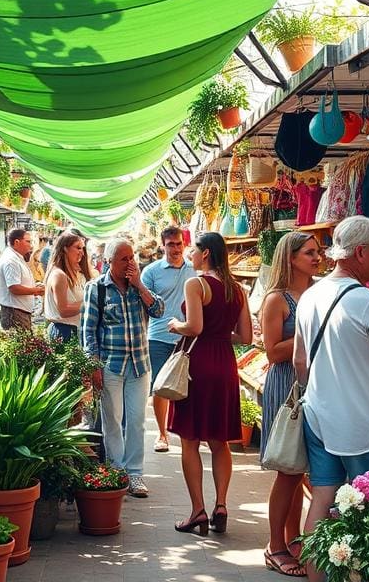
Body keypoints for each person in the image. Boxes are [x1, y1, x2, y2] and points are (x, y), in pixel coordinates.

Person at [293, 216, 369, 582]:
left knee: (322, 497)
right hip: (364, 425)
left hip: (319, 415)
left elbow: (300, 360)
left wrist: (325, 391)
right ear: (360, 252)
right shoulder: (367, 301)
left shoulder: (311, 295)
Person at [166, 232, 252, 536]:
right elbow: (246, 337)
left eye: (194, 249)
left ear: (206, 254)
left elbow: (195, 326)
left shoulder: (196, 284)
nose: (190, 253)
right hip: (225, 363)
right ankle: (222, 505)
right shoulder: (237, 289)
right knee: (219, 441)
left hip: (198, 363)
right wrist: (220, 336)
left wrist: (177, 325)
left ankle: (198, 511)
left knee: (190, 440)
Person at [81, 239, 164, 498]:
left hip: (139, 365)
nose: (130, 263)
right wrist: (93, 364)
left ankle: (135, 473)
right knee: (113, 421)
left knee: (137, 421)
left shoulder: (139, 287)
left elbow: (159, 310)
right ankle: (117, 472)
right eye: (123, 259)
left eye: (132, 258)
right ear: (109, 262)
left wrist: (140, 285)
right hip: (111, 365)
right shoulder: (96, 289)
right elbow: (88, 330)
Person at [259, 232, 321, 577]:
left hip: (314, 385)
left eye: (318, 251)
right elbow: (271, 351)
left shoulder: (318, 291)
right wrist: (313, 330)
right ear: (291, 257)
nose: (317, 257)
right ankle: (275, 545)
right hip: (286, 387)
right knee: (287, 469)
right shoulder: (277, 299)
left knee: (298, 470)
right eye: (310, 252)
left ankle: (293, 537)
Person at [140, 226, 195, 453]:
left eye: (179, 243)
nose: (175, 248)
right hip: (160, 336)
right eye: (170, 244)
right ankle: (162, 434)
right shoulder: (151, 272)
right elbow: (143, 306)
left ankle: (187, 432)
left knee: (188, 387)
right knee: (160, 387)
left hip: (189, 336)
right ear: (162, 246)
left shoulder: (194, 269)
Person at [44, 232, 89, 342]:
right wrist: (90, 303)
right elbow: (64, 310)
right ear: (65, 248)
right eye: (78, 248)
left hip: (71, 330)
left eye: (82, 249)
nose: (82, 253)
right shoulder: (59, 275)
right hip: (65, 331)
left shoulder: (69, 274)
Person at [0, 228, 44, 329]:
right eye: (27, 241)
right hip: (14, 313)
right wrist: (35, 290)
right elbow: (14, 288)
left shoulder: (16, 257)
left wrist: (34, 288)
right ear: (17, 242)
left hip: (19, 312)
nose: (30, 245)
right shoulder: (11, 260)